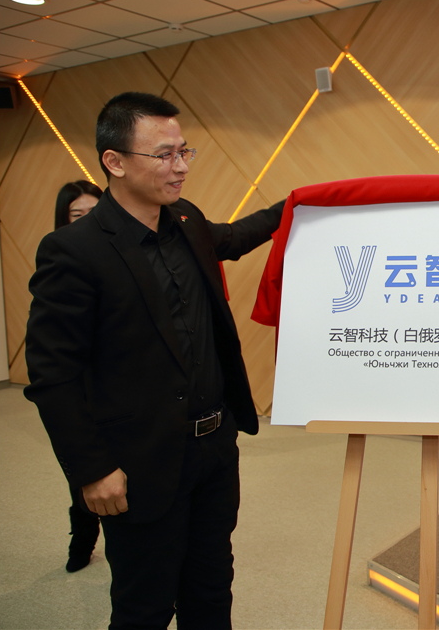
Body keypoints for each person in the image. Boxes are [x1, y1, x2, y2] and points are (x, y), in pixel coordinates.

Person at [25, 92, 284, 629]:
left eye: (184, 151)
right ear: (114, 162)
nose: (181, 166)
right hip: (140, 461)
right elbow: (53, 376)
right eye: (164, 155)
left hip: (214, 449)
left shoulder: (186, 219)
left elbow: (236, 237)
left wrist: (301, 204)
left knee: (211, 590)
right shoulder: (74, 250)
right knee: (144, 606)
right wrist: (92, 469)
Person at [52, 179, 106, 572]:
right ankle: (82, 542)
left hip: (123, 391)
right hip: (83, 389)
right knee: (86, 477)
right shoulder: (61, 260)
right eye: (77, 215)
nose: (87, 220)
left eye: (94, 212)